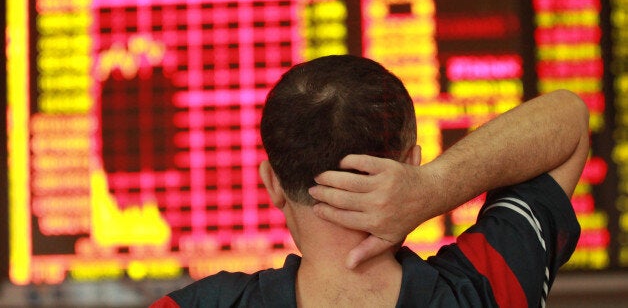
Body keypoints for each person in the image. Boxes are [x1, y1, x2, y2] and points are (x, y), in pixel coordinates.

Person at [151, 55, 588, 307]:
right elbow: (569, 118)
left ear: (272, 182)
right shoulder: (487, 289)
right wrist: (434, 187)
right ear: (410, 163)